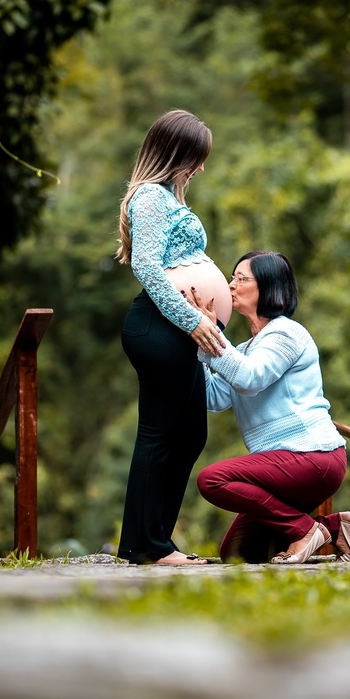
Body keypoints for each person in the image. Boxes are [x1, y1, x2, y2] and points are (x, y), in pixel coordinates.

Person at [187, 250, 350, 564]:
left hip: (314, 457)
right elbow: (212, 398)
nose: (230, 286)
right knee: (239, 553)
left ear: (268, 287)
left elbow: (250, 377)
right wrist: (196, 346)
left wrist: (211, 338)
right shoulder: (243, 349)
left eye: (241, 279)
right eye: (232, 278)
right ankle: (334, 527)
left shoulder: (286, 333)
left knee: (212, 480)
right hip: (283, 466)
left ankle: (305, 530)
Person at [115, 109, 232, 565]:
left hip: (179, 328)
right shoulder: (149, 197)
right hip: (160, 326)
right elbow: (146, 266)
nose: (200, 168)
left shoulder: (167, 198)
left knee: (189, 432)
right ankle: (147, 546)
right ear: (174, 154)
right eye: (195, 158)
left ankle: (155, 540)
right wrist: (191, 319)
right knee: (161, 433)